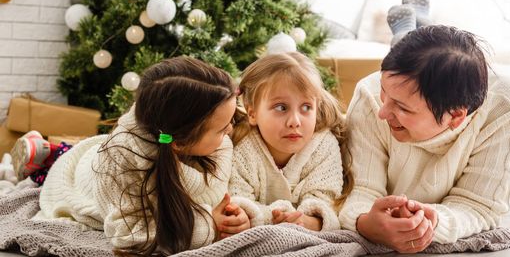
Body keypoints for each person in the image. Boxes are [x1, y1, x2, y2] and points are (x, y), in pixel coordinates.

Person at [338, 24, 510, 253]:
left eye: (402, 108)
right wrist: (366, 222)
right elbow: (361, 191)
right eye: (384, 92)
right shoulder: (369, 94)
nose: (382, 112)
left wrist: (430, 223)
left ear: (456, 116)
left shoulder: (505, 105)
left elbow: (479, 205)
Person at [25, 56, 239, 256]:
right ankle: (45, 155)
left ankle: (53, 150)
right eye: (221, 129)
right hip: (80, 176)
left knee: (84, 145)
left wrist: (239, 215)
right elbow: (130, 235)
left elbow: (226, 194)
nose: (230, 129)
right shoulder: (120, 164)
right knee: (56, 165)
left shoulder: (211, 140)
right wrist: (209, 224)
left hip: (104, 147)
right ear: (180, 142)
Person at [224, 52, 353, 238]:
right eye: (281, 108)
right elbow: (239, 200)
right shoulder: (243, 148)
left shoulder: (323, 146)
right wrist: (244, 217)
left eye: (306, 107)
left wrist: (309, 221)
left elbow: (326, 201)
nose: (295, 121)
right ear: (252, 112)